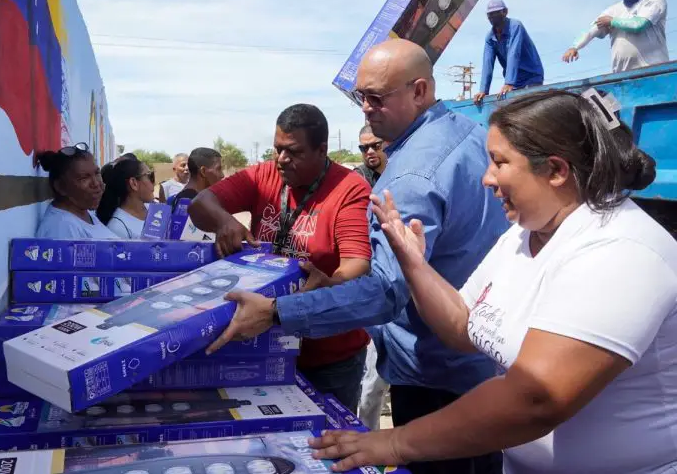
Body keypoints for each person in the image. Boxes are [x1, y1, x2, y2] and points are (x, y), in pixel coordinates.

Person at [310, 89, 677, 474]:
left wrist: (395, 442)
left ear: (555, 170)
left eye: (499, 162)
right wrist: (415, 265)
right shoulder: (523, 235)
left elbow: (536, 397)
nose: (487, 178)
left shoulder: (619, 251)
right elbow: (462, 326)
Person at [204, 39, 509, 474]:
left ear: (420, 91)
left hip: (435, 378)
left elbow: (385, 290)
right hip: (479, 365)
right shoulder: (470, 136)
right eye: (360, 96)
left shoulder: (412, 175)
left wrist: (276, 312)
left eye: (376, 98)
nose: (365, 108)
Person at [189, 104, 373, 413]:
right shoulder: (264, 175)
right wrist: (224, 221)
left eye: (294, 152)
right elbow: (200, 203)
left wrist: (332, 283)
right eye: (277, 150)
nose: (282, 160)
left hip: (328, 354)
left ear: (322, 150)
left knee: (328, 441)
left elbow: (357, 260)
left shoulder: (349, 188)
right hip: (267, 344)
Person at [562, 0, 669, 73]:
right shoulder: (613, 10)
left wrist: (612, 21)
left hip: (654, 71)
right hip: (621, 76)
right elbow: (591, 30)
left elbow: (639, 25)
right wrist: (575, 47)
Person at [353, 123, 390, 431]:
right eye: (363, 148)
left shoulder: (404, 175)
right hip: (371, 287)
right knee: (372, 378)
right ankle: (369, 436)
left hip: (405, 285)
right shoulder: (357, 182)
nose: (369, 152)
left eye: (374, 146)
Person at [35, 143, 117, 239]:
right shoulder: (62, 227)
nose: (96, 183)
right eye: (84, 178)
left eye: (97, 173)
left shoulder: (83, 212)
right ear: (60, 187)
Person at [474, 0, 544, 104]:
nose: (493, 16)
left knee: (529, 108)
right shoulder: (490, 38)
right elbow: (487, 63)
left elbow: (514, 53)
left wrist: (508, 82)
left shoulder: (515, 26)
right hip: (515, 82)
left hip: (531, 76)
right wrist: (483, 90)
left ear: (505, 12)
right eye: (490, 14)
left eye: (497, 12)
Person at [96, 155, 156, 239]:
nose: (154, 183)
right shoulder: (118, 227)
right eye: (150, 176)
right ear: (133, 183)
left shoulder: (155, 211)